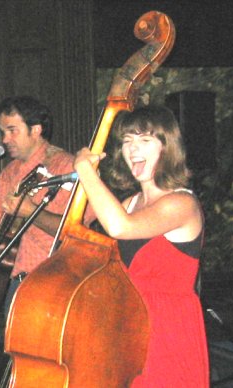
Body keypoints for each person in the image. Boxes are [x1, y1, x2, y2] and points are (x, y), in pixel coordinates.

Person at [73, 105, 210, 387]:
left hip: (167, 328)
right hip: (129, 326)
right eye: (127, 141)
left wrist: (85, 171)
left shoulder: (181, 203)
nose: (134, 149)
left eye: (145, 140)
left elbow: (120, 227)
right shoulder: (129, 204)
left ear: (167, 147)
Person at [0, 96, 74, 315]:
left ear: (35, 130)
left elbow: (74, 229)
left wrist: (32, 212)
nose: (5, 139)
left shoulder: (67, 167)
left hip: (54, 284)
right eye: (3, 132)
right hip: (14, 283)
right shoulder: (9, 173)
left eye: (12, 130)